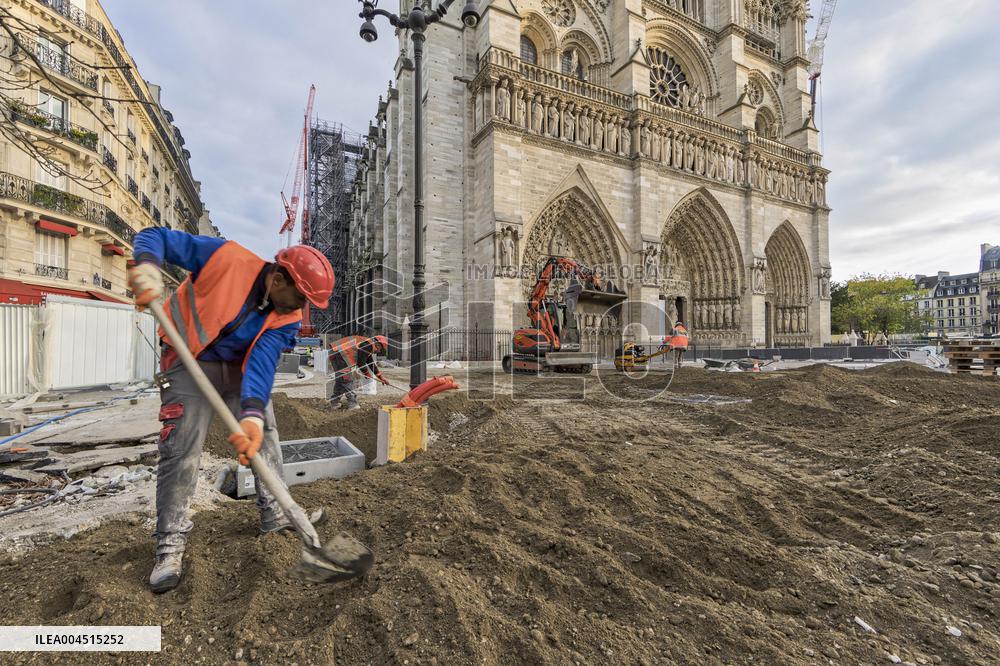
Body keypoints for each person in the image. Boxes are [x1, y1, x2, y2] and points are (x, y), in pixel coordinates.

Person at [127, 229, 334, 593]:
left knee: (265, 430)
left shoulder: (284, 318)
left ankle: (276, 514)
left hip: (238, 369)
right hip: (187, 357)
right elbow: (152, 236)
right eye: (300, 297)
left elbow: (261, 364)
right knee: (182, 447)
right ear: (278, 278)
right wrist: (147, 267)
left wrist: (251, 416)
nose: (301, 310)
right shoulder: (226, 258)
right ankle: (169, 546)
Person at [328, 335, 390, 410]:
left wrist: (381, 377)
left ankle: (334, 402)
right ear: (378, 344)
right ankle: (352, 404)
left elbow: (370, 363)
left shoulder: (368, 345)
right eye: (381, 348)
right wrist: (367, 374)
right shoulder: (367, 345)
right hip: (340, 355)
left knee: (341, 380)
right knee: (347, 380)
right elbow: (361, 362)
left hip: (337, 354)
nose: (379, 351)